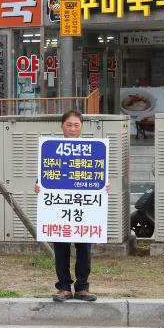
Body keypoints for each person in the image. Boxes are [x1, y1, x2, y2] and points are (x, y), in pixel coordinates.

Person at [35, 111, 110, 303]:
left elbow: (98, 176)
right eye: (69, 124)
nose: (73, 129)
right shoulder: (51, 149)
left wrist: (104, 185)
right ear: (62, 126)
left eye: (76, 125)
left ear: (82, 127)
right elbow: (45, 175)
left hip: (84, 211)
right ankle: (63, 287)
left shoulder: (92, 149)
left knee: (84, 249)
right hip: (60, 211)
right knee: (61, 249)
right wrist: (39, 186)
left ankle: (82, 287)